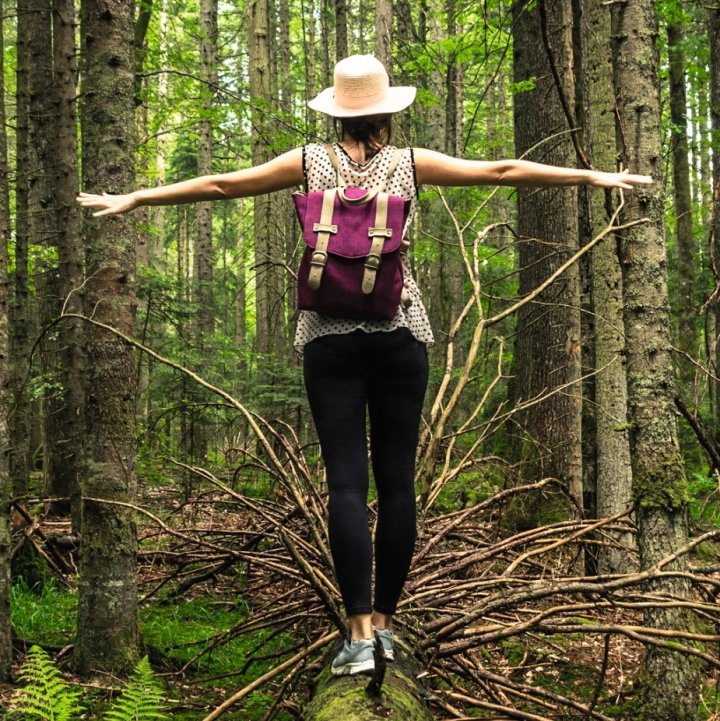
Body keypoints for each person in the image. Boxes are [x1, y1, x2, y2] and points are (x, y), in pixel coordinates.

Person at [78, 54, 652, 676]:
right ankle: (386, 626)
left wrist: (136, 197)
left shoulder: (306, 162)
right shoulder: (409, 164)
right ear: (387, 109)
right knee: (398, 482)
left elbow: (219, 185)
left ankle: (355, 635)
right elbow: (504, 169)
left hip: (328, 338)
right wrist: (593, 178)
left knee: (346, 484)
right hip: (399, 331)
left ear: (336, 110)